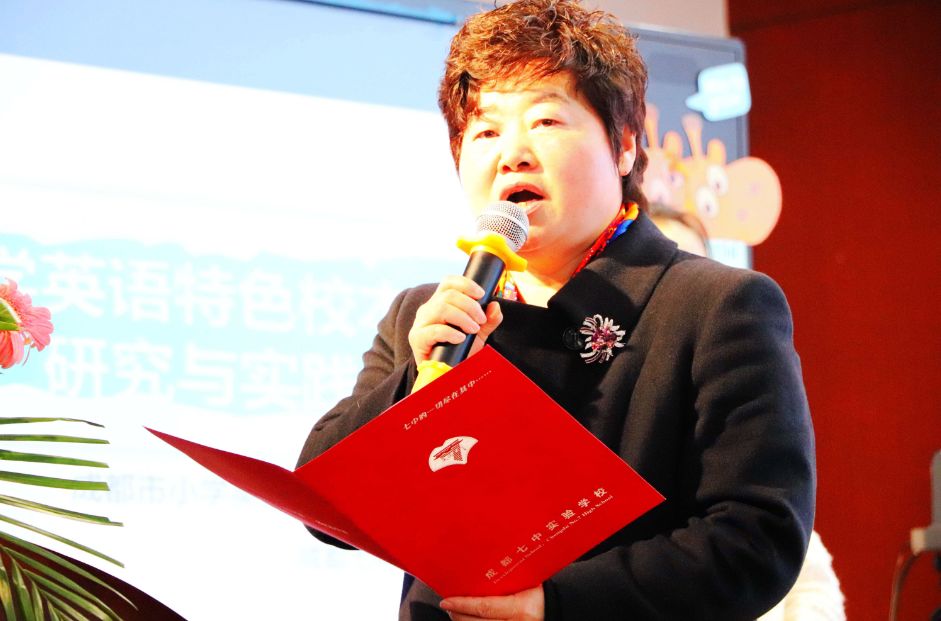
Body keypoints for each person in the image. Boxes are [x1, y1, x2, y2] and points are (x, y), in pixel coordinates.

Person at [297, 1, 816, 619]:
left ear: (624, 147)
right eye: (485, 132)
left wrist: (556, 604)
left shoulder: (714, 306)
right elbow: (324, 514)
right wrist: (416, 381)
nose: (512, 154)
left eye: (545, 121)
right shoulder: (425, 315)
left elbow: (757, 540)